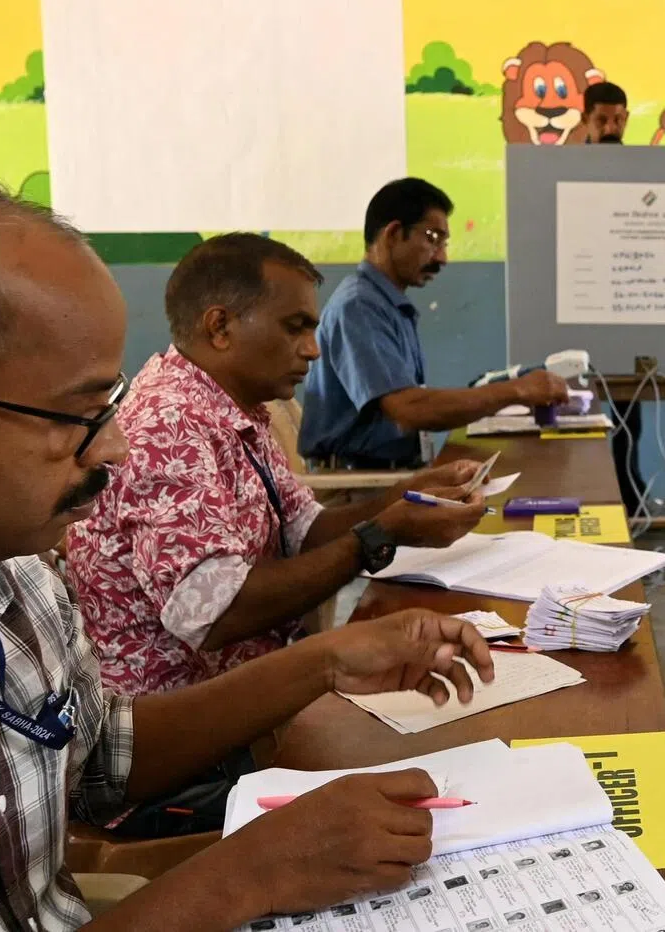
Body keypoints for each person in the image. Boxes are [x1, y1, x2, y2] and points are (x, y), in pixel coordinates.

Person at [0, 168, 496, 931]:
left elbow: (100, 758)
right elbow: (214, 616)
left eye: (110, 403)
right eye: (77, 416)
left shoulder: (10, 579)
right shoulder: (169, 430)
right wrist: (249, 872)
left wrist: (326, 657)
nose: (117, 446)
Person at [67, 233, 486, 701]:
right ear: (220, 328)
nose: (313, 349)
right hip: (195, 732)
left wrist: (404, 498)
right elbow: (217, 614)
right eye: (295, 327)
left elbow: (304, 529)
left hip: (259, 688)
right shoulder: (167, 426)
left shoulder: (233, 408)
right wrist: (379, 534)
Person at [299, 178, 569, 468]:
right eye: (432, 238)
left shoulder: (387, 304)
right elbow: (409, 409)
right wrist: (517, 390)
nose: (442, 257)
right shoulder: (359, 306)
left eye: (444, 242)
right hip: (358, 487)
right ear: (393, 233)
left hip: (392, 474)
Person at [583, 82, 645, 513]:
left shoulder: (640, 169)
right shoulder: (561, 171)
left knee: (629, 414)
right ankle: (592, 500)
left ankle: (629, 496)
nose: (611, 126)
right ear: (586, 120)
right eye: (602, 119)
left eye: (618, 118)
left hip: (628, 302)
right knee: (580, 415)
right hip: (580, 304)